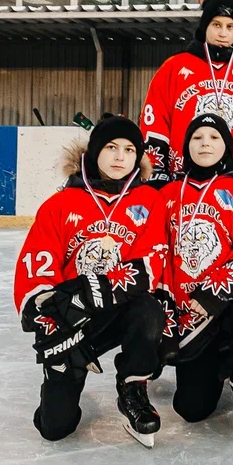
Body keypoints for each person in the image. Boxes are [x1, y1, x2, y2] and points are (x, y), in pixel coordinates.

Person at [13, 115, 165, 446]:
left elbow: (152, 263)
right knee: (55, 428)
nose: (120, 157)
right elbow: (35, 268)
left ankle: (133, 388)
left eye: (129, 150)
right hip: (72, 321)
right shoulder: (59, 204)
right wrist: (53, 313)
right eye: (111, 148)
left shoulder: (150, 203)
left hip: (117, 311)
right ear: (95, 151)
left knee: (148, 310)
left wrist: (92, 291)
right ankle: (63, 371)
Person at [137, 114, 233, 446]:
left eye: (214, 137)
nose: (205, 143)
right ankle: (220, 367)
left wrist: (212, 292)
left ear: (228, 147)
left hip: (228, 306)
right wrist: (165, 307)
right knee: (191, 409)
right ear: (186, 147)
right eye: (197, 137)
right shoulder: (166, 196)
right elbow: (154, 250)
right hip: (189, 317)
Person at [139, 0, 233, 188]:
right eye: (216, 25)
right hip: (183, 177)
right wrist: (156, 168)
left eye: (230, 27)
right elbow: (155, 120)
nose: (223, 33)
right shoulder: (175, 67)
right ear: (204, 27)